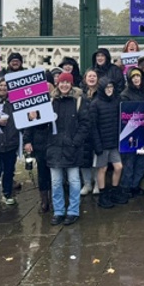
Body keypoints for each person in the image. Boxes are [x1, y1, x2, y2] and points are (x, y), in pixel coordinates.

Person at [46, 72, 90, 226]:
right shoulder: (51, 101)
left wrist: (75, 141)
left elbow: (85, 124)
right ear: (57, 84)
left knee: (74, 181)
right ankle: (58, 211)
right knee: (56, 182)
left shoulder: (79, 100)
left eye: (67, 82)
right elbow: (43, 125)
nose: (64, 85)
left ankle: (73, 210)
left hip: (72, 148)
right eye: (61, 82)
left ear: (71, 84)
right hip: (54, 147)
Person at [90, 77, 127, 208]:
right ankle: (103, 195)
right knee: (102, 169)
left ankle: (115, 191)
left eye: (111, 87)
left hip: (114, 142)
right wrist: (97, 145)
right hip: (102, 143)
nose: (109, 90)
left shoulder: (117, 101)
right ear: (101, 89)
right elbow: (93, 127)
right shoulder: (95, 104)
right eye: (107, 87)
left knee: (119, 167)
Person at [0, 78, 20, 208]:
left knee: (9, 170)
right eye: (1, 85)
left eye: (6, 85)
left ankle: (7, 193)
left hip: (11, 142)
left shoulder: (15, 101)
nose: (3, 88)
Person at [119, 66, 144, 198]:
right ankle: (126, 188)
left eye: (138, 76)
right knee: (129, 162)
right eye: (133, 77)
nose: (136, 79)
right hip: (129, 132)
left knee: (141, 162)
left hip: (143, 130)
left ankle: (135, 186)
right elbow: (127, 113)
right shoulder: (125, 95)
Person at [78, 68, 101, 195]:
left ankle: (97, 183)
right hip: (84, 131)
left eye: (94, 76)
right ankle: (87, 184)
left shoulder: (101, 93)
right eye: (89, 76)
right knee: (84, 159)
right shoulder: (80, 94)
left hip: (98, 130)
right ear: (85, 79)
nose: (92, 78)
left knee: (97, 160)